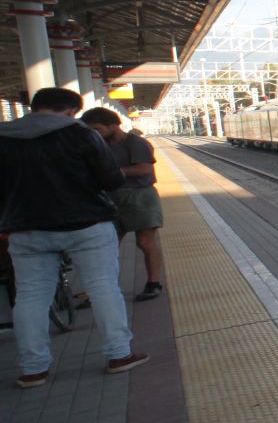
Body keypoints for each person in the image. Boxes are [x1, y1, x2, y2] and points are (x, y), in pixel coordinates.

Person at [0, 88, 147, 386]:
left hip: (26, 228)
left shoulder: (4, 137)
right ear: (70, 111)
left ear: (34, 107)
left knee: (30, 295)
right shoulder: (80, 134)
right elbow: (111, 178)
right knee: (103, 286)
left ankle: (33, 369)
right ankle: (119, 354)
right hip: (86, 223)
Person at [79, 108, 164, 301]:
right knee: (108, 245)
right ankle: (104, 288)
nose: (94, 133)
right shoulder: (97, 144)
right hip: (109, 198)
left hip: (140, 197)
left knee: (145, 242)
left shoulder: (137, 143)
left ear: (113, 125)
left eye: (98, 129)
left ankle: (153, 283)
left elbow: (144, 169)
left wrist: (111, 172)